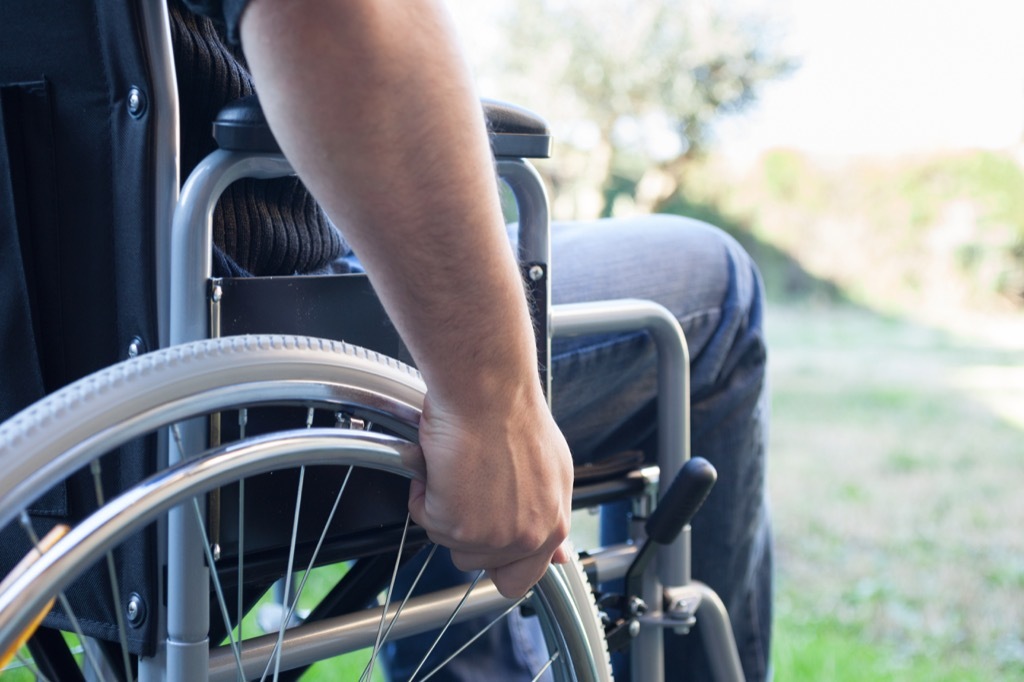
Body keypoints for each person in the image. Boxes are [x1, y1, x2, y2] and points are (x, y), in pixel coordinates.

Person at [180, 1, 772, 679]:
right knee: (721, 292)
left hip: (93, 366)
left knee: (446, 343)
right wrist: (495, 402)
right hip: (257, 329)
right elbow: (335, 20)